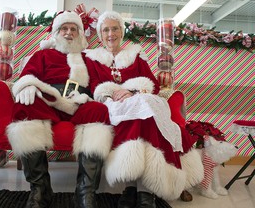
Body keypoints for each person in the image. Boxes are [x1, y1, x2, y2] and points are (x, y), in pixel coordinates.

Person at [84, 11, 203, 207]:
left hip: (140, 100)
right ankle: (140, 191)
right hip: (113, 105)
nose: (111, 34)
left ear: (122, 32)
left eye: (115, 28)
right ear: (100, 35)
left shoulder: (136, 55)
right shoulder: (92, 58)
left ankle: (139, 190)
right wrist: (114, 93)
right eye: (106, 30)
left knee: (144, 112)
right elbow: (95, 85)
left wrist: (132, 90)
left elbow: (154, 86)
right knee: (139, 115)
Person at [6, 11, 113, 208]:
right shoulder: (42, 55)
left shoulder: (88, 59)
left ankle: (85, 192)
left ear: (80, 34)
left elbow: (100, 85)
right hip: (49, 100)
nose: (69, 32)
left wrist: (103, 94)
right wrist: (28, 85)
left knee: (99, 111)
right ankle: (40, 189)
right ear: (56, 32)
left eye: (74, 29)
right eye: (64, 28)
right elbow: (28, 75)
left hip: (79, 102)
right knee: (24, 105)